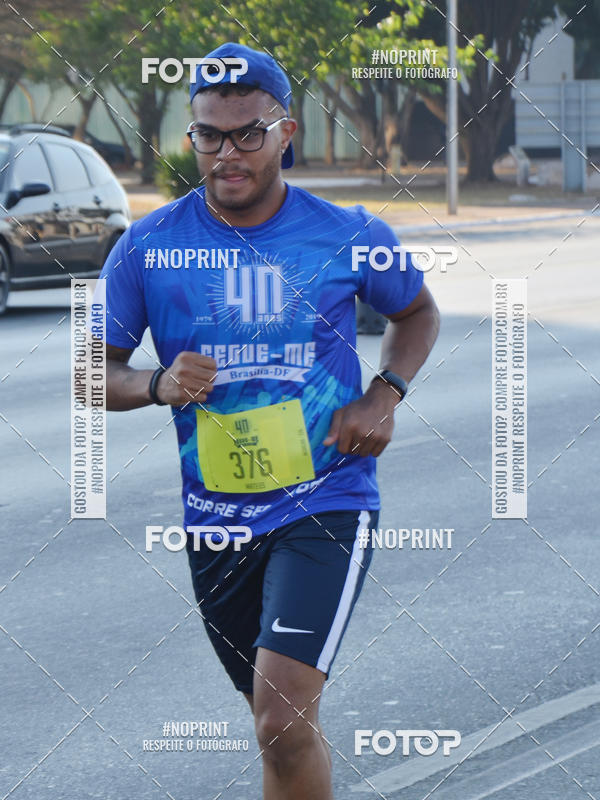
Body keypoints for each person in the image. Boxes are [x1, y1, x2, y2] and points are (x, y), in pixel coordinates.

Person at [102, 42, 439, 800]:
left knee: (279, 719)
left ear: (286, 131)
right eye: (208, 135)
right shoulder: (147, 247)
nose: (227, 153)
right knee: (280, 725)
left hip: (325, 501)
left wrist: (384, 392)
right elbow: (94, 374)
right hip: (216, 521)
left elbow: (416, 310)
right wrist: (157, 383)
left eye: (248, 133)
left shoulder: (346, 233)